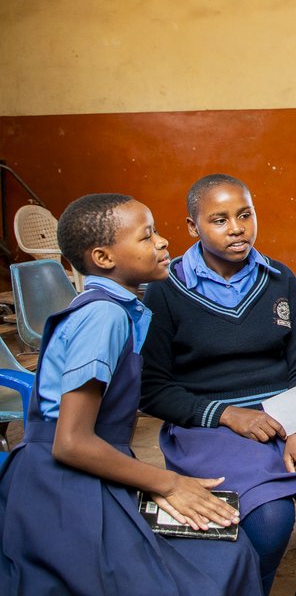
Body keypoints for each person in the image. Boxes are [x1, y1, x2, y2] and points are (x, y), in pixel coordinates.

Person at [0, 193, 262, 595]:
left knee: (223, 549)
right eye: (146, 236)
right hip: (63, 484)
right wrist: (168, 482)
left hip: (88, 467)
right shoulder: (103, 316)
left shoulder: (115, 308)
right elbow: (71, 442)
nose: (162, 242)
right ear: (104, 258)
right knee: (210, 566)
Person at [140, 175, 296, 596]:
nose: (237, 229)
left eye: (245, 215)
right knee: (269, 520)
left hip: (288, 414)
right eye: (219, 220)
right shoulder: (165, 289)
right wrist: (228, 415)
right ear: (192, 227)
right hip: (211, 425)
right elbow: (153, 388)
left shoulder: (279, 278)